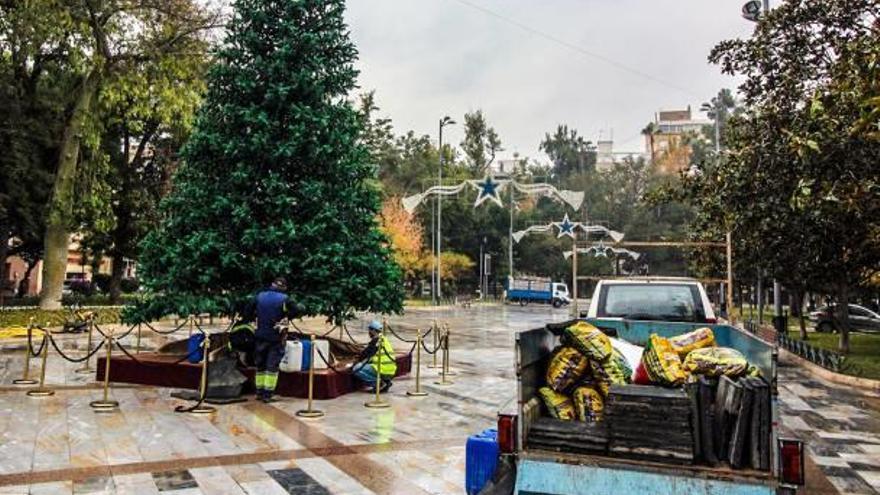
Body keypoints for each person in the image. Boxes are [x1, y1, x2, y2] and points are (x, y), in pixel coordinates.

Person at [252, 277, 297, 402]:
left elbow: (249, 311)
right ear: (283, 287)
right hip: (276, 336)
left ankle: (259, 392)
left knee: (260, 364)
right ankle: (267, 395)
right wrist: (286, 317)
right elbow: (297, 310)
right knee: (272, 366)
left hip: (260, 334)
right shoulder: (284, 299)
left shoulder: (260, 296)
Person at [352, 320, 397, 392]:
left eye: (369, 330)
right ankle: (384, 382)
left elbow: (365, 355)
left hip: (383, 369)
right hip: (391, 369)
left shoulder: (376, 341)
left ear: (373, 330)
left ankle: (379, 383)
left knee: (357, 369)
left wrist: (355, 362)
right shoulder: (383, 339)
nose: (368, 333)